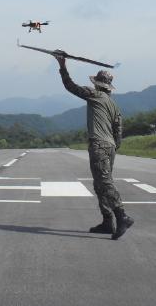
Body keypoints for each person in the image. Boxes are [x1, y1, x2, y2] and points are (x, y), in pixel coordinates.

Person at [54, 55, 134, 240]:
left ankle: (122, 216)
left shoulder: (94, 95)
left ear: (97, 84)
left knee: (104, 183)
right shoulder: (114, 105)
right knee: (100, 184)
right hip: (111, 147)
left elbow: (70, 86)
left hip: (98, 144)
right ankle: (107, 222)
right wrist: (113, 147)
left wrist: (62, 65)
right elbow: (118, 133)